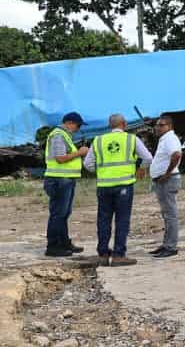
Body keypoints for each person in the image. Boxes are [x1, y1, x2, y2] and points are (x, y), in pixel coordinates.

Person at [84, 113, 152, 266]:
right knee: (122, 221)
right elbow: (148, 158)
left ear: (110, 125)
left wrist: (102, 171)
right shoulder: (131, 139)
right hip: (124, 186)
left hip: (103, 186)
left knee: (103, 220)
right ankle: (118, 255)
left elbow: (87, 164)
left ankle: (102, 255)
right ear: (124, 124)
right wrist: (140, 169)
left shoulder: (98, 140)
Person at [43, 112, 89, 257]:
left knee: (64, 213)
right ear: (69, 123)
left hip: (65, 179)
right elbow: (60, 158)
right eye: (78, 125)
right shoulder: (58, 135)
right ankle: (53, 246)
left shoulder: (64, 136)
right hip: (59, 179)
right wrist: (80, 152)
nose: (78, 129)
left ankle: (64, 242)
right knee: (58, 214)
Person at [150, 114, 183, 258]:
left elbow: (176, 155)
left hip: (167, 180)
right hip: (162, 180)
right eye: (157, 125)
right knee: (167, 214)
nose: (157, 127)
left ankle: (171, 247)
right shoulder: (164, 139)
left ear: (169, 127)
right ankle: (166, 244)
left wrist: (167, 173)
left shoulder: (170, 138)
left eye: (161, 125)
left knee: (170, 215)